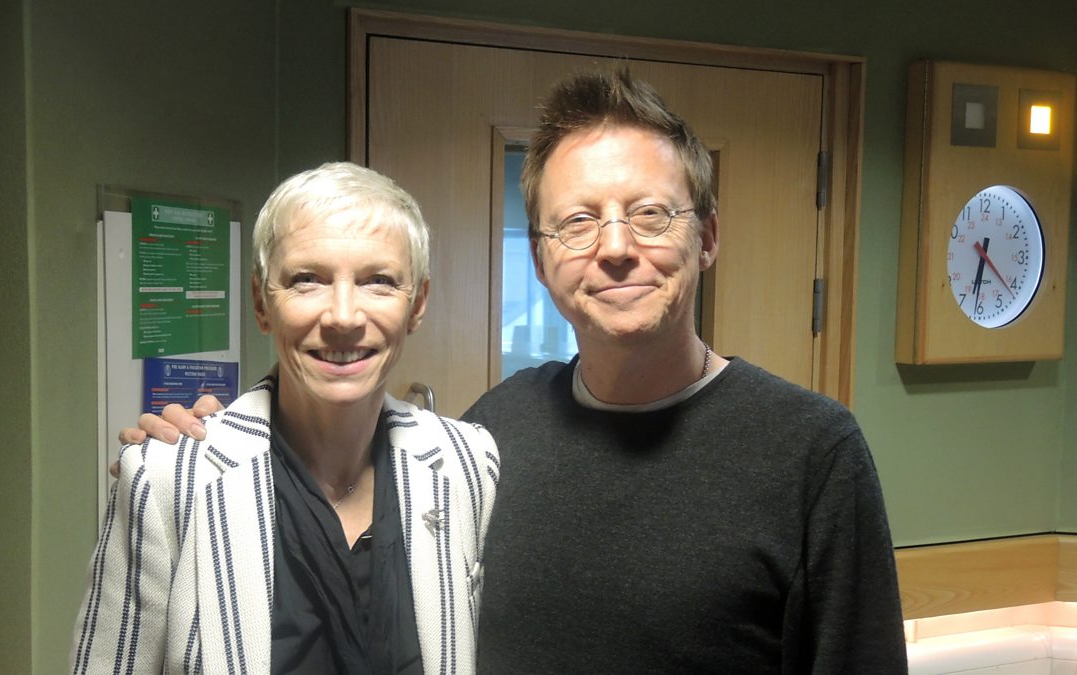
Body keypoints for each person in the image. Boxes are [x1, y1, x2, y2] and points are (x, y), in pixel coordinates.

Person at [129, 70, 908, 673]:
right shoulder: (494, 431)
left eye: (649, 214)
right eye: (578, 221)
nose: (615, 247)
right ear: (541, 259)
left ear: (706, 237)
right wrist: (211, 448)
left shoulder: (811, 454)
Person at [74, 162, 499, 674]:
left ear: (417, 304)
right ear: (261, 303)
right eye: (307, 280)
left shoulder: (468, 465)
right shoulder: (167, 478)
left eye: (379, 281)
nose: (343, 316)